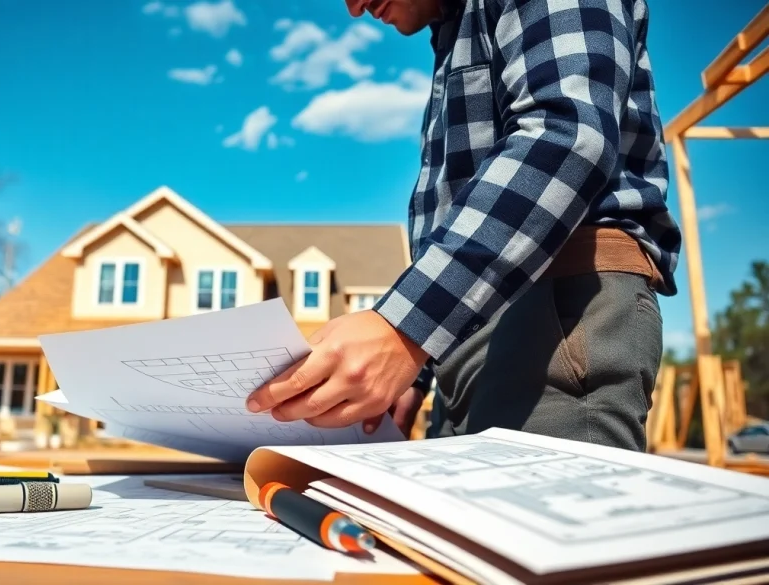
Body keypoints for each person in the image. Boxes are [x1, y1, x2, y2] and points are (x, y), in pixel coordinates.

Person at [245, 0, 682, 451]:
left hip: (559, 311)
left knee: (538, 522)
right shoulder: (453, 30)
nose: (354, 8)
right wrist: (419, 371)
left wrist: (404, 329)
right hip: (463, 332)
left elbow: (566, 135)